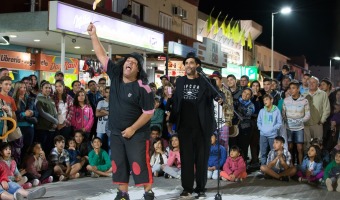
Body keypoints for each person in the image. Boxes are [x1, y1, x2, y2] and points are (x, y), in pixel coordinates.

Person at [88, 22, 155, 200]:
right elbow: (102, 56)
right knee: (118, 164)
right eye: (128, 61)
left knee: (139, 163)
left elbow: (149, 112)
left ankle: (148, 193)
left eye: (134, 63)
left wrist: (133, 128)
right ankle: (123, 193)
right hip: (116, 132)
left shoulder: (144, 88)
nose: (129, 63)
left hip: (137, 134)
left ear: (138, 70)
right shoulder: (116, 77)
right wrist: (94, 35)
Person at [170, 52, 222, 199]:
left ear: (197, 66)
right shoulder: (179, 82)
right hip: (184, 127)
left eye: (191, 63)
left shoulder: (206, 82)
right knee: (186, 159)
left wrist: (220, 98)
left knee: (201, 159)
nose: (188, 65)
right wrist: (171, 122)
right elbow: (176, 102)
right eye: (186, 63)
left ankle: (200, 187)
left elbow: (218, 95)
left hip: (202, 127)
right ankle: (187, 188)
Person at [283, 81, 310, 165]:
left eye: (293, 88)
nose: (291, 90)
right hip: (289, 128)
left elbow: (308, 114)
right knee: (290, 147)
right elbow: (283, 113)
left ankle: (301, 165)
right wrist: (286, 120)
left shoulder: (304, 101)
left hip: (299, 128)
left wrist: (301, 120)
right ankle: (291, 165)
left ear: (298, 89)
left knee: (300, 148)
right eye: (290, 88)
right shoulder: (286, 100)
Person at [12, 81, 38, 163]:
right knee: (18, 149)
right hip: (18, 128)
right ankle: (17, 167)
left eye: (24, 87)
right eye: (21, 87)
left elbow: (36, 113)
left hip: (30, 128)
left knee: (28, 148)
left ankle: (25, 166)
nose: (23, 89)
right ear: (17, 89)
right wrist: (24, 114)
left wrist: (32, 113)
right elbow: (14, 116)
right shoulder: (13, 100)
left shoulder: (30, 99)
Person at [304, 76, 330, 152]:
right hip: (306, 124)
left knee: (318, 144)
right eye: (310, 82)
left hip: (318, 124)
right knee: (306, 145)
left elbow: (327, 109)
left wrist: (322, 120)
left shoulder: (323, 94)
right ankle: (307, 162)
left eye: (313, 82)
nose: (311, 84)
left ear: (318, 84)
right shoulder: (303, 95)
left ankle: (318, 161)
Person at [209, 71, 233, 152]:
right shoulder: (208, 91)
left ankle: (223, 164)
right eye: (212, 79)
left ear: (220, 80)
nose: (214, 81)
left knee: (223, 146)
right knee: (212, 145)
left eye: (216, 79)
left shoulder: (226, 92)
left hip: (223, 123)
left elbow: (230, 108)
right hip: (212, 123)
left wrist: (227, 122)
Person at [229, 88, 255, 161]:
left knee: (243, 148)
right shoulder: (235, 101)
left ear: (250, 96)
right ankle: (231, 165)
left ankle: (242, 166)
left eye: (248, 94)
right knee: (232, 146)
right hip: (234, 127)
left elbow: (247, 113)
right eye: (244, 92)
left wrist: (238, 108)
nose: (245, 95)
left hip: (245, 129)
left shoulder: (251, 105)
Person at [257, 94, 282, 165]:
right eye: (264, 100)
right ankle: (263, 168)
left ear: (271, 100)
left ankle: (273, 168)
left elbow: (279, 123)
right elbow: (259, 122)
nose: (265, 101)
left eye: (266, 99)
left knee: (273, 152)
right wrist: (262, 129)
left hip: (272, 135)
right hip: (263, 135)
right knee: (263, 153)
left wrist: (272, 129)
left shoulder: (276, 111)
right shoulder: (262, 111)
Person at [35, 81, 58, 154]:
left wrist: (56, 122)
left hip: (52, 128)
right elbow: (42, 113)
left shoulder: (50, 99)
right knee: (42, 147)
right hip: (42, 127)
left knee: (49, 147)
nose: (48, 89)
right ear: (41, 89)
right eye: (46, 88)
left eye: (49, 88)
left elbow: (55, 112)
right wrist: (55, 121)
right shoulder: (38, 99)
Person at [249, 80, 264, 167]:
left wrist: (260, 98)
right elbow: (250, 105)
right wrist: (254, 97)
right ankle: (254, 159)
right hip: (251, 121)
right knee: (252, 142)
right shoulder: (249, 96)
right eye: (253, 86)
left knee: (256, 141)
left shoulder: (262, 97)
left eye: (257, 86)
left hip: (259, 121)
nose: (255, 87)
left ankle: (256, 159)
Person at [96, 86, 110, 152]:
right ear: (104, 93)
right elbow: (97, 114)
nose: (109, 94)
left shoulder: (115, 103)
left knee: (110, 146)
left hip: (111, 128)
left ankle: (110, 161)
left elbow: (114, 115)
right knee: (98, 145)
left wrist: (104, 111)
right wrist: (108, 112)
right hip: (100, 128)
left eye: (110, 92)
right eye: (107, 92)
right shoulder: (101, 102)